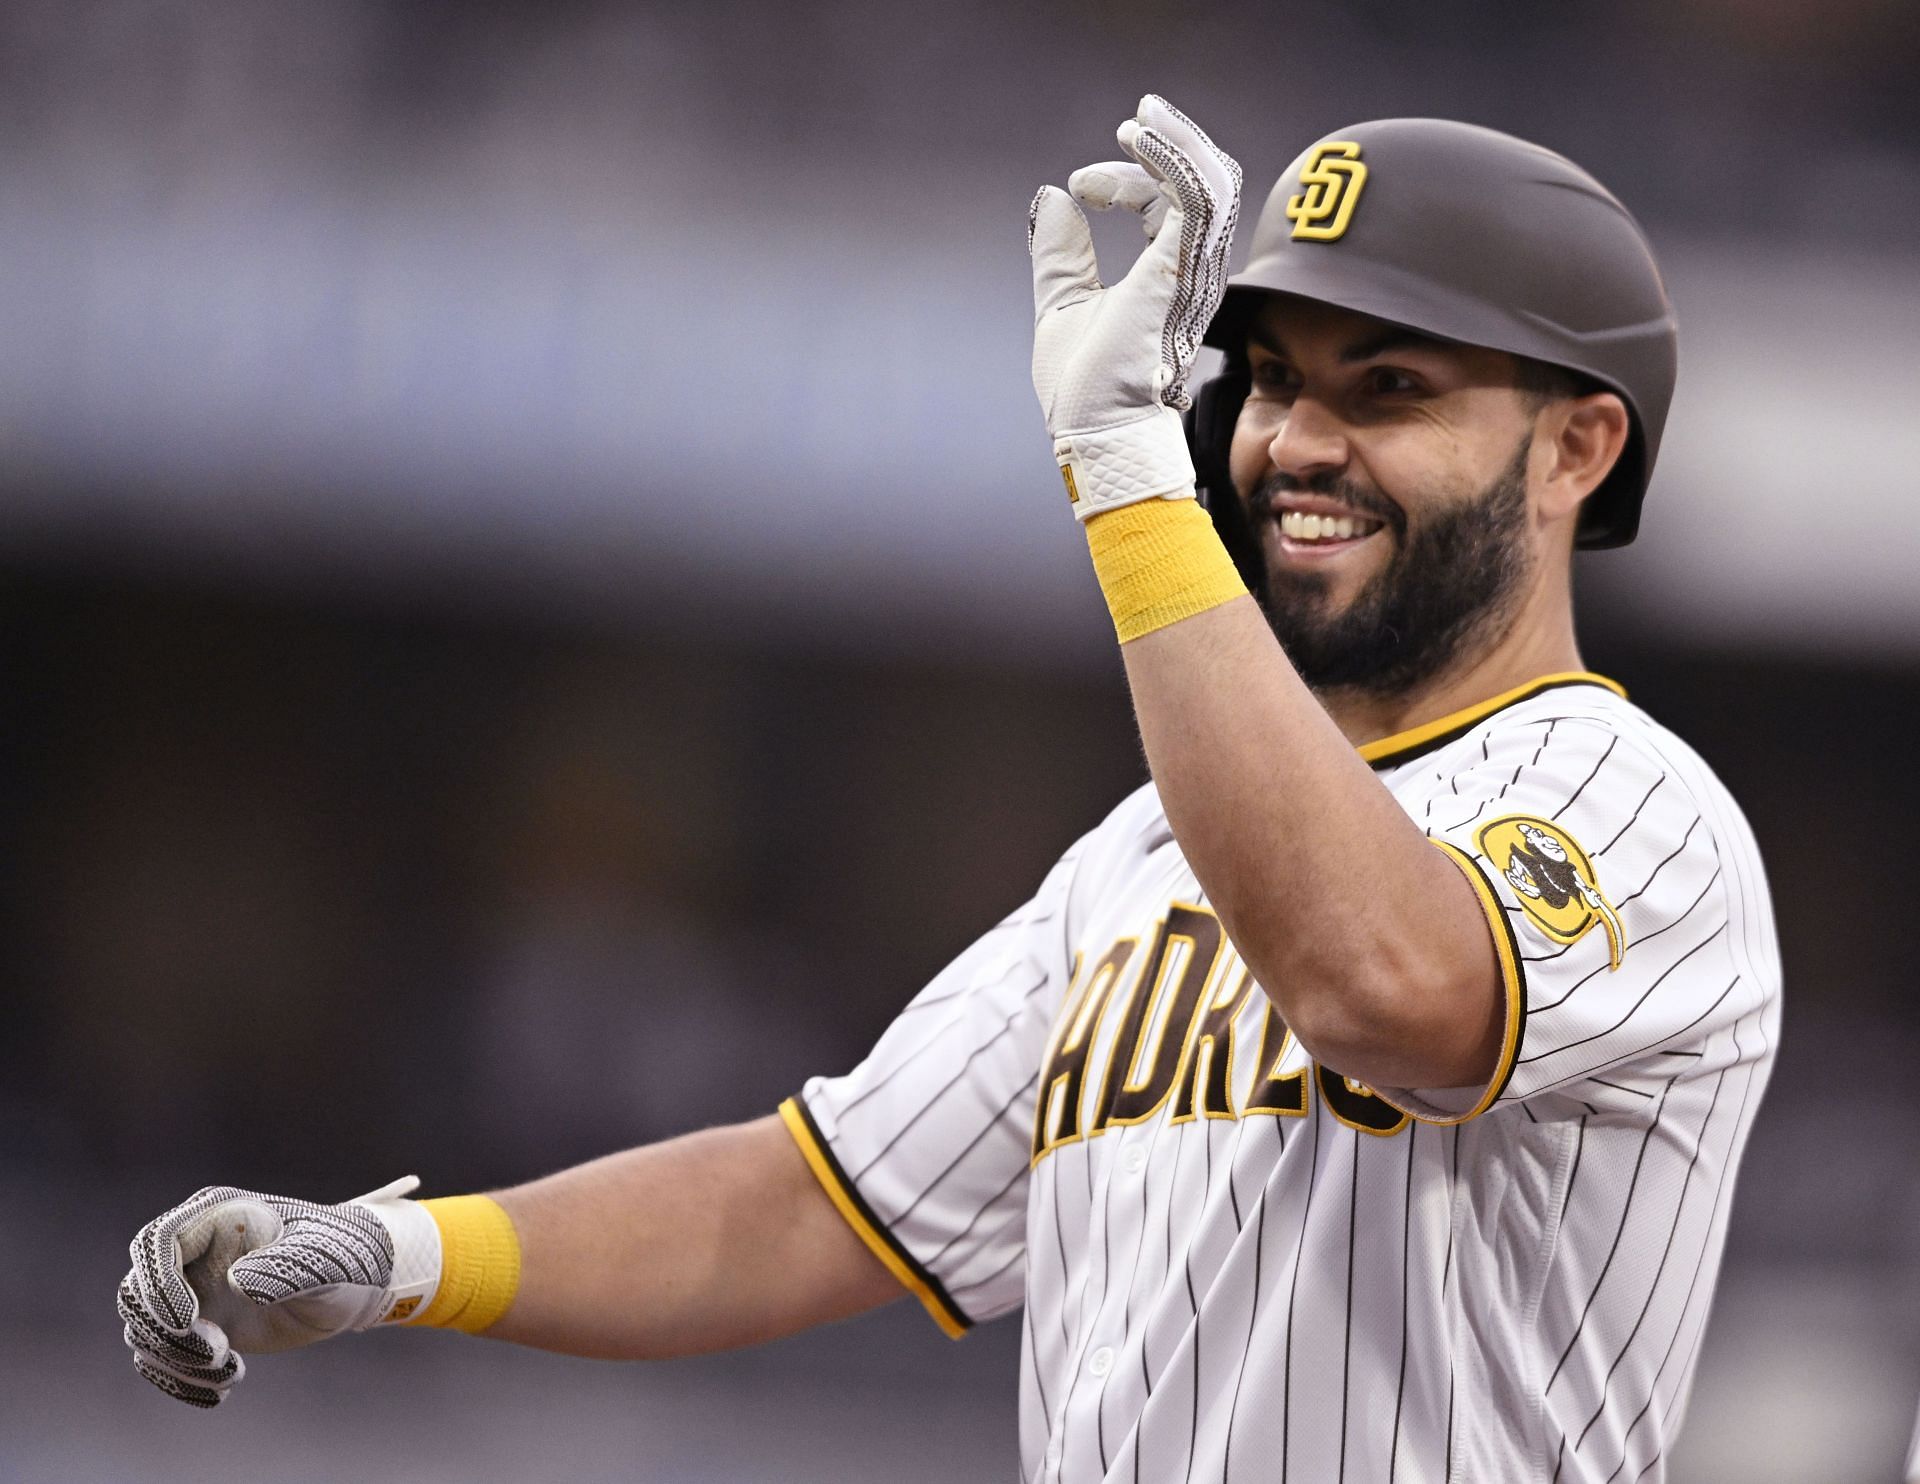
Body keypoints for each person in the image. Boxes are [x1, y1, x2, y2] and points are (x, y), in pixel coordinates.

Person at [118, 98, 1780, 1483]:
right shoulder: (1141, 858)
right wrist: (401, 1261)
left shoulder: (1643, 814)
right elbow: (806, 1202)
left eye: (1391, 387)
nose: (1293, 440)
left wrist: (1126, 470)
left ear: (1578, 449)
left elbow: (1378, 981)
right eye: (1272, 377)